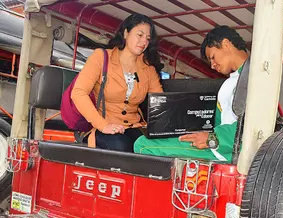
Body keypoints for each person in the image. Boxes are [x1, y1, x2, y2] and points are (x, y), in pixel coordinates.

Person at [134, 25, 249, 161]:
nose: (212, 65)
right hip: (217, 144)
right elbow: (216, 121)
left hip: (225, 151)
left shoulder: (254, 77)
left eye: (212, 57)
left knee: (142, 145)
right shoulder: (231, 82)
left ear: (226, 44)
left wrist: (212, 138)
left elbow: (251, 127)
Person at [71, 13, 163, 152]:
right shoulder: (101, 57)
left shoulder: (148, 69)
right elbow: (78, 93)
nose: (144, 41)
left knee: (153, 149)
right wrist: (103, 125)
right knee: (122, 146)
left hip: (133, 127)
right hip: (99, 126)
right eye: (139, 35)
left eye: (148, 38)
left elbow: (160, 103)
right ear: (126, 33)